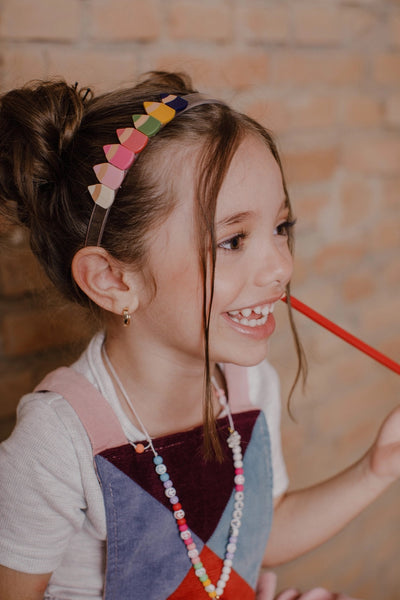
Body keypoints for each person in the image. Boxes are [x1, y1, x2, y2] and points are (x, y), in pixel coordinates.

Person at [0, 71, 398, 600]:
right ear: (114, 279)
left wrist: (377, 469)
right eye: (233, 240)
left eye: (281, 228)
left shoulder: (253, 388)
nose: (280, 266)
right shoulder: (56, 444)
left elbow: (256, 534)